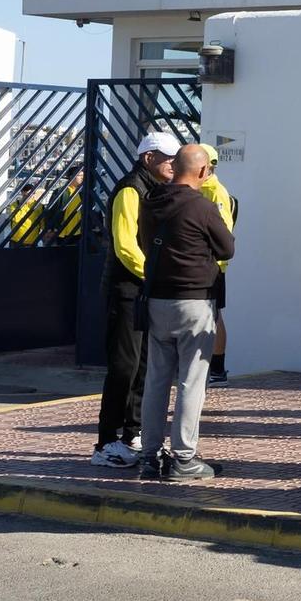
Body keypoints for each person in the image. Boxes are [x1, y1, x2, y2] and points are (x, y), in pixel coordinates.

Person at [136, 144, 234, 482]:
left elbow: (144, 241)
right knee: (192, 382)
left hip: (156, 301)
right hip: (194, 301)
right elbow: (227, 248)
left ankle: (149, 456)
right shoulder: (203, 206)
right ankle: (184, 459)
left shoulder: (150, 202)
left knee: (156, 381)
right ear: (203, 171)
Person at [91, 132, 178, 469]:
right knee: (123, 366)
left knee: (144, 364)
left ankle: (132, 432)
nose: (172, 164)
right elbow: (126, 246)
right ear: (148, 159)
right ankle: (106, 441)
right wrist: (154, 277)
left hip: (143, 290)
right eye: (167, 157)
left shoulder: (155, 190)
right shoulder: (131, 189)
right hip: (126, 290)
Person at [200, 146, 237, 385]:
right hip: (204, 265)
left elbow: (223, 232)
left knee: (213, 316)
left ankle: (217, 369)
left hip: (213, 267)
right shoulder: (201, 190)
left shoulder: (215, 191)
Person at [43, 167, 83, 246]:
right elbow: (51, 210)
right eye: (79, 175)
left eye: (83, 175)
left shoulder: (81, 192)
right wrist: (50, 228)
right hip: (61, 232)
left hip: (77, 232)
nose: (82, 177)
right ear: (71, 177)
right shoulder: (61, 191)